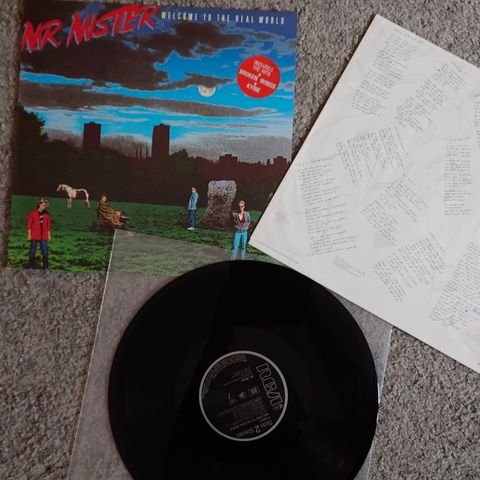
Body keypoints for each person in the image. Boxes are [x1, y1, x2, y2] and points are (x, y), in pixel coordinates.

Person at [26, 197, 51, 270]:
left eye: (45, 205)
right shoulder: (32, 213)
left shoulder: (47, 215)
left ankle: (45, 267)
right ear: (39, 204)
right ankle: (30, 266)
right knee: (32, 251)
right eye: (44, 205)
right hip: (34, 235)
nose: (45, 206)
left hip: (44, 236)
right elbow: (29, 225)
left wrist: (49, 235)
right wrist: (29, 234)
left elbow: (48, 226)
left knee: (45, 251)